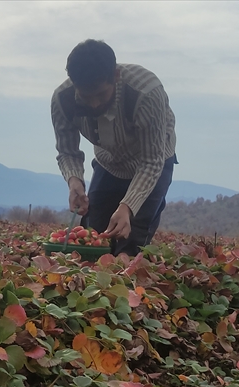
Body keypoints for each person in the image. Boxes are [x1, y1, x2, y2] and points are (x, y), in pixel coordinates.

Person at [51, 39, 177, 257]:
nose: (94, 104)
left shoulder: (146, 93)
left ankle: (127, 283)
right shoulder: (63, 100)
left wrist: (127, 207)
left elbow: (151, 161)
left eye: (101, 95)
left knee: (130, 241)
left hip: (151, 164)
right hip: (108, 163)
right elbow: (67, 151)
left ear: (116, 76)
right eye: (86, 97)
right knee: (93, 239)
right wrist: (74, 181)